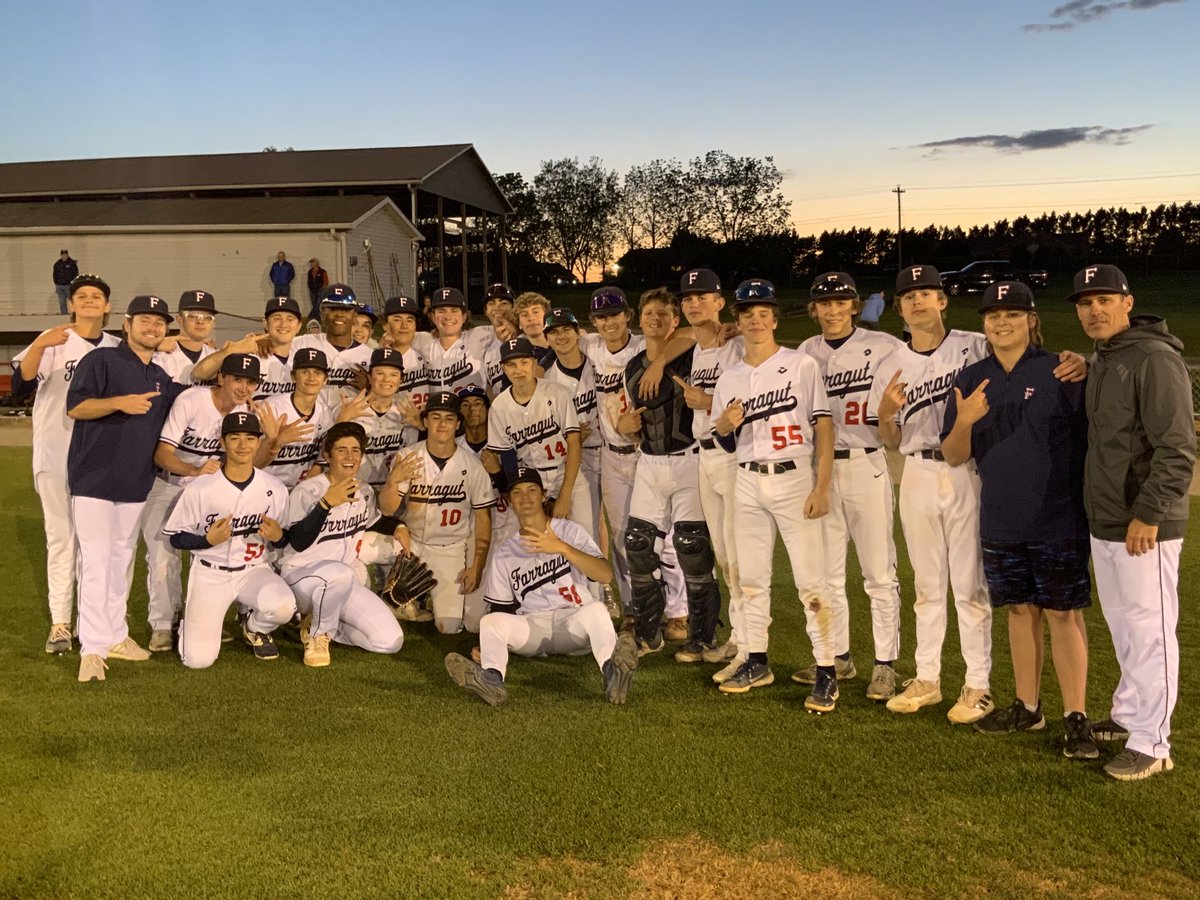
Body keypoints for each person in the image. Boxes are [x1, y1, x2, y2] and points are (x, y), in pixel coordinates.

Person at [872, 265, 1086, 723]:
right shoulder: (890, 361)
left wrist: (1079, 360)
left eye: (926, 293)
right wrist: (886, 415)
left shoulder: (973, 343)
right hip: (916, 471)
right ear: (899, 307)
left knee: (971, 585)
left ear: (943, 301)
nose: (917, 301)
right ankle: (926, 677)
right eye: (908, 296)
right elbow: (889, 440)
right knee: (926, 584)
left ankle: (978, 685)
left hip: (968, 472)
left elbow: (1028, 354)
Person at [940, 281, 1096, 759]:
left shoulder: (1061, 370)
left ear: (1031, 320)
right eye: (993, 315)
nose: (1001, 322)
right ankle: (1028, 706)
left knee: (1063, 613)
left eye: (1012, 314)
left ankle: (1076, 715)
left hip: (1058, 515)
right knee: (1020, 610)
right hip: (1002, 518)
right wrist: (965, 419)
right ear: (984, 324)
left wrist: (1087, 366)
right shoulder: (971, 377)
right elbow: (954, 454)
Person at [1070, 265, 1194, 781]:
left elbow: (1178, 449)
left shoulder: (1155, 358)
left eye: (1104, 299)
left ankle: (1153, 743)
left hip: (1144, 523)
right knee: (1124, 627)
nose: (1094, 309)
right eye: (1085, 302)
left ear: (1128, 302)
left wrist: (1148, 513)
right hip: (1107, 516)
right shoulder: (1106, 358)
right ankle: (1128, 714)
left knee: (1150, 631)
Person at [710, 279, 838, 713]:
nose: (756, 320)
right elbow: (723, 439)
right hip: (747, 479)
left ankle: (826, 670)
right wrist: (724, 425)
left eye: (763, 313)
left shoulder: (801, 364)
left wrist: (822, 485)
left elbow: (823, 425)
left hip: (793, 477)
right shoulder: (730, 376)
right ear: (738, 320)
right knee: (751, 579)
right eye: (748, 314)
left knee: (811, 581)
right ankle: (757, 660)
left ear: (775, 320)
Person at [67, 295, 188, 683]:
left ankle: (116, 635)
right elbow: (76, 407)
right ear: (127, 323)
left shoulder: (159, 374)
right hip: (94, 479)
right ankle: (92, 647)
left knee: (120, 562)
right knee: (96, 562)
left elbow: (192, 397)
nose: (153, 327)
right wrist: (120, 402)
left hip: (135, 481)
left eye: (159, 322)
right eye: (146, 320)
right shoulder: (101, 359)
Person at [443, 467, 638, 706]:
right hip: (532, 627)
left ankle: (613, 672)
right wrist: (491, 644)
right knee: (490, 622)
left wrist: (563, 548)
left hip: (574, 623)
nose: (525, 497)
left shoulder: (569, 531)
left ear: (544, 496)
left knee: (597, 610)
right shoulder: (505, 553)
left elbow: (604, 574)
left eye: (532, 490)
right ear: (510, 502)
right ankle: (491, 679)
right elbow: (501, 610)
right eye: (517, 492)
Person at [796, 273, 904, 701]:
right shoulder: (806, 352)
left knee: (879, 573)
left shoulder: (884, 346)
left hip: (866, 462)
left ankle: (885, 664)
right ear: (814, 309)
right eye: (825, 303)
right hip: (820, 471)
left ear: (855, 306)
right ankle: (839, 656)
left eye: (841, 302)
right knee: (828, 574)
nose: (833, 310)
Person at [12, 274, 121, 653]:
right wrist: (41, 344)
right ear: (71, 304)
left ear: (107, 306)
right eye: (81, 296)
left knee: (97, 544)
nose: (89, 300)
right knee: (61, 538)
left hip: (99, 457)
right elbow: (21, 385)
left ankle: (90, 623)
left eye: (97, 296)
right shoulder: (54, 338)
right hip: (56, 452)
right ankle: (60, 623)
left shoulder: (117, 347)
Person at [619, 288, 721, 661]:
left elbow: (696, 332)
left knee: (692, 547)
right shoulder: (631, 366)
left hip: (688, 459)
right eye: (649, 313)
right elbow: (634, 421)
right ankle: (649, 634)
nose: (656, 319)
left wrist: (660, 363)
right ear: (640, 319)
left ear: (675, 320)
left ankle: (703, 637)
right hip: (649, 461)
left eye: (664, 313)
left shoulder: (692, 354)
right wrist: (624, 426)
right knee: (638, 544)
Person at [141, 353, 258, 651]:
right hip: (169, 485)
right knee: (163, 556)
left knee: (209, 557)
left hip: (208, 492)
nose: (244, 387)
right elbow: (162, 454)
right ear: (221, 378)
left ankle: (199, 621)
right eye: (237, 379)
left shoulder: (246, 411)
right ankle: (163, 625)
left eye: (250, 382)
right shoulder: (192, 400)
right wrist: (193, 470)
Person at [162, 412, 295, 667]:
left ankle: (255, 628)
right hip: (210, 574)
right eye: (234, 438)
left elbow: (284, 540)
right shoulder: (200, 487)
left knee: (283, 607)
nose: (243, 445)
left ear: (258, 442)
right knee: (198, 661)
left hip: (253, 571)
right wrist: (206, 541)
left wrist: (278, 536)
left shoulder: (275, 488)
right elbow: (176, 538)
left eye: (250, 438)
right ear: (222, 442)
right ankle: (189, 624)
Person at [279, 422, 406, 667]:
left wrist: (399, 526)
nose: (350, 457)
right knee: (341, 572)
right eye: (341, 450)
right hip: (301, 578)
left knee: (390, 641)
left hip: (340, 582)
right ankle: (318, 636)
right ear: (327, 456)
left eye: (355, 450)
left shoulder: (363, 490)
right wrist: (325, 504)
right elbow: (297, 541)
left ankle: (328, 627)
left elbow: (375, 521)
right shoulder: (308, 491)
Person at [674, 269, 746, 672]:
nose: (694, 303)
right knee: (724, 555)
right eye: (688, 298)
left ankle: (749, 643)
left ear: (720, 303)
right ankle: (740, 636)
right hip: (705, 456)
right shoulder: (699, 349)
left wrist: (709, 401)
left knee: (739, 554)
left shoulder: (736, 344)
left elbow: (755, 392)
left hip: (732, 455)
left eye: (703, 296)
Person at [378, 391, 496, 634]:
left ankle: (423, 598)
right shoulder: (407, 457)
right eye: (435, 417)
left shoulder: (473, 466)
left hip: (449, 548)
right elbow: (387, 509)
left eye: (449, 418)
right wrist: (392, 482)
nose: (442, 424)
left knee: (449, 627)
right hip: (410, 542)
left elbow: (483, 519)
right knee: (362, 547)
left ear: (458, 424)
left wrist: (477, 566)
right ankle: (371, 593)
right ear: (425, 421)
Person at [486, 336, 592, 534]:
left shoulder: (556, 393)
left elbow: (574, 443)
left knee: (584, 542)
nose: (518, 370)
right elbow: (508, 458)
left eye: (524, 362)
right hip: (531, 486)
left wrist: (564, 496)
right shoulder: (499, 407)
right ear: (503, 369)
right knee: (540, 548)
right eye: (511, 365)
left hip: (568, 479)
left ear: (534, 364)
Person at [255, 348, 338, 488]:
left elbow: (321, 461)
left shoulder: (325, 414)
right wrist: (275, 443)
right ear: (293, 376)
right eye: (305, 372)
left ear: (325, 379)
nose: (311, 378)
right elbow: (251, 464)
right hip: (264, 487)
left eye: (317, 373)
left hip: (300, 490)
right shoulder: (271, 408)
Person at [292, 283, 373, 408]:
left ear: (355, 315)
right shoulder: (303, 343)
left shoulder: (369, 356)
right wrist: (265, 342)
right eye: (333, 309)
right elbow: (276, 345)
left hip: (351, 419)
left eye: (346, 309)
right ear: (322, 313)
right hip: (309, 418)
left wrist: (370, 388)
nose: (339, 314)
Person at [412, 287, 485, 394]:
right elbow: (397, 336)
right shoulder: (423, 341)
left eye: (454, 311)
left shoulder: (479, 336)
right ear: (433, 317)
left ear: (464, 316)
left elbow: (506, 329)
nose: (448, 317)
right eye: (441, 311)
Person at [153, 290, 220, 385]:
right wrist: (153, 348)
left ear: (213, 323)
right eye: (192, 316)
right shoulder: (159, 355)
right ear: (179, 319)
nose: (200, 322)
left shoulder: (217, 357)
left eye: (207, 317)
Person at [52, 250, 79, 314]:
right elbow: (54, 274)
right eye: (62, 255)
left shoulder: (72, 263)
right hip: (60, 285)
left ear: (67, 255)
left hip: (68, 285)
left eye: (65, 255)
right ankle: (63, 314)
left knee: (72, 300)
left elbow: (75, 274)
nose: (64, 256)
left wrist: (72, 283)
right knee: (62, 302)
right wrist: (56, 283)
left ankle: (75, 313)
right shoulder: (57, 264)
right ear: (61, 255)